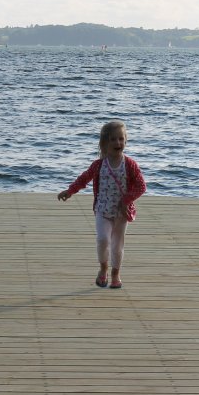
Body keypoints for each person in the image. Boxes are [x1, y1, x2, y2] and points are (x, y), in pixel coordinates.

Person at [57, 120, 147, 289]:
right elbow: (84, 179)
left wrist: (126, 200)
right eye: (113, 139)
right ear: (104, 143)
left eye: (121, 139)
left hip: (121, 213)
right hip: (102, 210)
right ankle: (103, 268)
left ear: (125, 140)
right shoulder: (99, 165)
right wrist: (70, 191)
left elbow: (141, 186)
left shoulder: (130, 164)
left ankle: (115, 274)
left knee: (117, 246)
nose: (117, 143)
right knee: (103, 239)